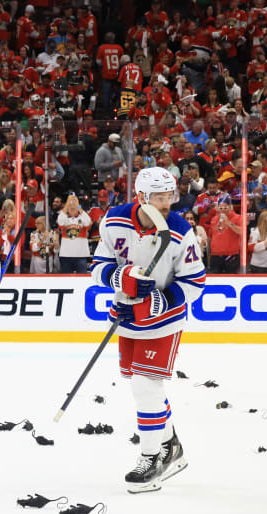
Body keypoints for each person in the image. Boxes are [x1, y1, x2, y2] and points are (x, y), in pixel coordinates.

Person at [90, 167, 206, 493]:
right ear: (141, 197)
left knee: (145, 386)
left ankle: (152, 458)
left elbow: (196, 282)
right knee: (139, 385)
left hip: (165, 322)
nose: (167, 202)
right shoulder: (113, 221)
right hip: (128, 319)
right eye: (159, 197)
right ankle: (172, 447)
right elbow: (99, 267)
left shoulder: (181, 231)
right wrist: (119, 281)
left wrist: (161, 300)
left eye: (170, 196)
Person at [56, 194, 92, 273]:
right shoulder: (64, 219)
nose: (72, 207)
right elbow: (60, 222)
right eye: (70, 206)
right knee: (66, 281)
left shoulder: (82, 218)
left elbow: (87, 222)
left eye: (74, 206)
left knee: (82, 280)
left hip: (81, 255)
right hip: (66, 255)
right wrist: (67, 204)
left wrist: (78, 205)